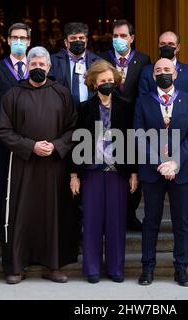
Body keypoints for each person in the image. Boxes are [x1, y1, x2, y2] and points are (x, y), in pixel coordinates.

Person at [0, 47, 79, 285]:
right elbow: (3, 129)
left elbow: (73, 128)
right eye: (33, 65)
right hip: (23, 165)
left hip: (54, 165)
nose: (38, 68)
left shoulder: (62, 93)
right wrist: (30, 146)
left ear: (49, 68)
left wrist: (56, 145)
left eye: (42, 65)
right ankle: (16, 265)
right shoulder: (13, 95)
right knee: (21, 214)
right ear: (27, 67)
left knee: (53, 214)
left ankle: (53, 265)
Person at [70, 60, 138, 283]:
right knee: (91, 220)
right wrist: (74, 175)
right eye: (103, 81)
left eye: (110, 80)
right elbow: (76, 142)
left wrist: (133, 172)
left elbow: (131, 141)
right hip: (91, 171)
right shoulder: (84, 108)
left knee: (116, 221)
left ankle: (116, 268)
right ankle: (91, 269)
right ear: (94, 83)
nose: (107, 84)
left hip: (117, 171)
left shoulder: (126, 106)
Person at [134, 58, 188, 287]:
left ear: (175, 74)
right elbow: (139, 135)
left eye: (167, 70)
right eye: (158, 70)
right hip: (153, 172)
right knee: (151, 221)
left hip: (180, 172)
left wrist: (174, 162)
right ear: (153, 76)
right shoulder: (143, 101)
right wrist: (160, 163)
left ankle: (181, 269)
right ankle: (147, 268)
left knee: (180, 223)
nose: (163, 73)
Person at [100, 19, 151, 231]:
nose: (119, 40)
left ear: (132, 38)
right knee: (109, 170)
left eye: (123, 36)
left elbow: (146, 91)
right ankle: (108, 217)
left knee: (133, 170)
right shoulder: (103, 59)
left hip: (134, 124)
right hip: (108, 123)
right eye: (115, 36)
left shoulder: (143, 59)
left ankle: (130, 215)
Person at [0, 22, 31, 241]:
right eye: (15, 38)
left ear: (29, 42)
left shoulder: (37, 67)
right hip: (4, 141)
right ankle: (3, 232)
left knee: (29, 187)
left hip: (31, 140)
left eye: (23, 38)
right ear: (8, 40)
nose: (19, 42)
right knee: (4, 186)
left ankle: (27, 231)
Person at [50, 22, 100, 110]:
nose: (78, 41)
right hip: (63, 113)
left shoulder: (97, 62)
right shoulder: (53, 61)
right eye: (73, 38)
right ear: (66, 42)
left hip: (90, 113)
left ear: (86, 41)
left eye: (81, 38)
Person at [138, 31, 188, 99]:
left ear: (178, 47)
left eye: (171, 44)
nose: (166, 47)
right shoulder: (147, 71)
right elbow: (142, 100)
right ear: (158, 46)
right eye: (163, 44)